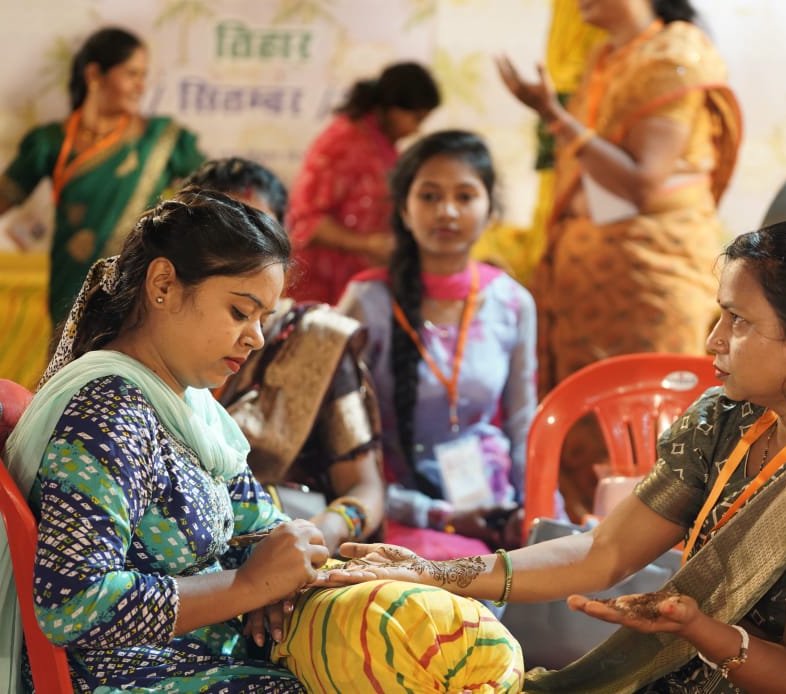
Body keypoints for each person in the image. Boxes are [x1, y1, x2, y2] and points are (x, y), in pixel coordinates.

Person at [329, 219, 786, 693]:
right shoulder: (728, 418)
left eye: (737, 321)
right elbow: (603, 552)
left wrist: (697, 628)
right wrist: (436, 573)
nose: (712, 340)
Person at [0, 188, 523, 693]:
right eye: (240, 311)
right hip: (135, 677)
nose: (255, 337)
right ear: (162, 285)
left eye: (263, 317)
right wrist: (247, 587)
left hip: (207, 657)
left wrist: (284, 570)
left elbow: (262, 526)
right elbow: (73, 606)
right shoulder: (110, 411)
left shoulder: (192, 409)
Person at [495, 0, 742, 520]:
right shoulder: (607, 56)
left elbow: (643, 182)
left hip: (650, 286)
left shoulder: (672, 51)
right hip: (590, 291)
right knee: (588, 430)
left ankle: (651, 562)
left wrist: (553, 116)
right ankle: (586, 556)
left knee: (651, 426)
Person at [337, 130, 538, 558]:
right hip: (394, 509)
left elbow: (523, 423)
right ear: (405, 211)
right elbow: (335, 442)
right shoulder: (367, 301)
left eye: (465, 197)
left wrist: (534, 512)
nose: (446, 211)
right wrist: (435, 515)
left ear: (489, 210)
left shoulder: (512, 302)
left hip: (494, 508)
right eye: (429, 196)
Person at [186, 157, 386, 552]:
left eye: (258, 231)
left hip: (285, 540)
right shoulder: (154, 337)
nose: (241, 252)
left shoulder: (316, 339)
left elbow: (365, 486)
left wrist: (319, 535)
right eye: (221, 235)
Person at [0, 26, 205, 327]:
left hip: (136, 291)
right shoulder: (49, 143)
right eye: (131, 74)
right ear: (95, 75)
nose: (140, 86)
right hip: (70, 289)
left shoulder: (160, 141)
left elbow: (215, 191)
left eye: (143, 76)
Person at [289, 61, 441, 305]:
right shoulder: (342, 143)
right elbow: (306, 222)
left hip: (361, 281)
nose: (417, 130)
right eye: (417, 118)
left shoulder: (383, 146)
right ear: (392, 108)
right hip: (321, 284)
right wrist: (368, 244)